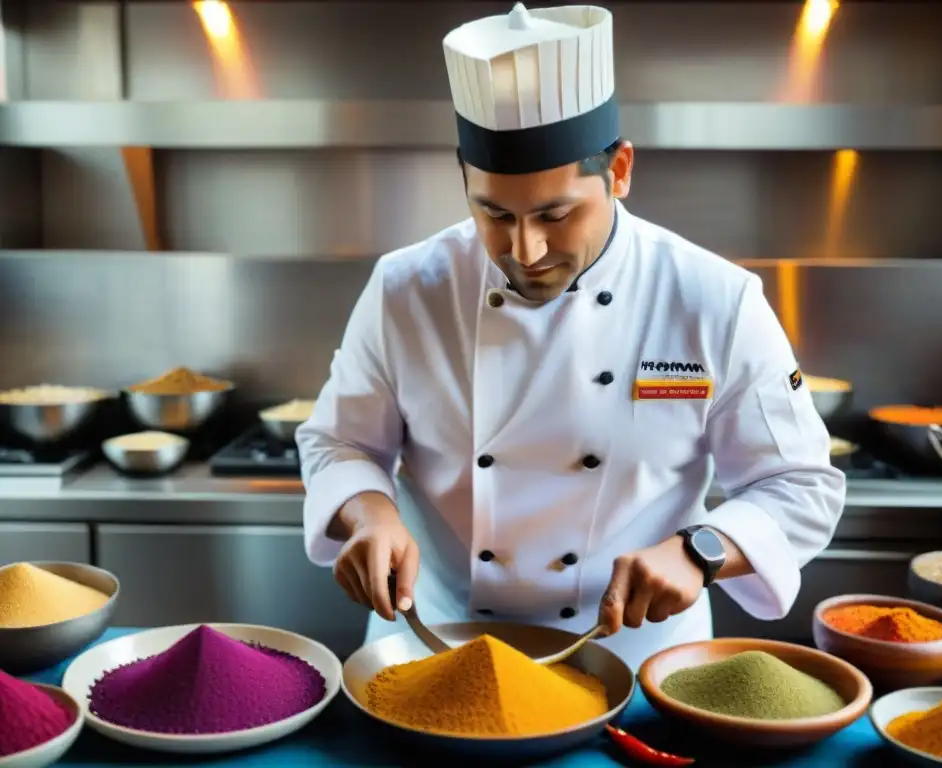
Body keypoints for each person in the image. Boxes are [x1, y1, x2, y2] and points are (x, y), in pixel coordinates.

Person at [297, 2, 846, 669]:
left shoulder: (713, 299)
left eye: (556, 214)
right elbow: (339, 440)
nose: (524, 249)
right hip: (437, 647)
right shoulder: (406, 288)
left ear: (618, 171)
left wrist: (702, 550)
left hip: (638, 659)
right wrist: (369, 514)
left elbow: (800, 484)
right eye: (492, 214)